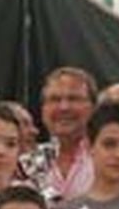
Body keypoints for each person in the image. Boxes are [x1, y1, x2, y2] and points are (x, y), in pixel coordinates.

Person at [38, 67, 97, 199]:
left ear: (93, 108)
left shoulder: (113, 159)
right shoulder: (28, 163)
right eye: (55, 99)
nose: (64, 107)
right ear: (43, 109)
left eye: (74, 99)